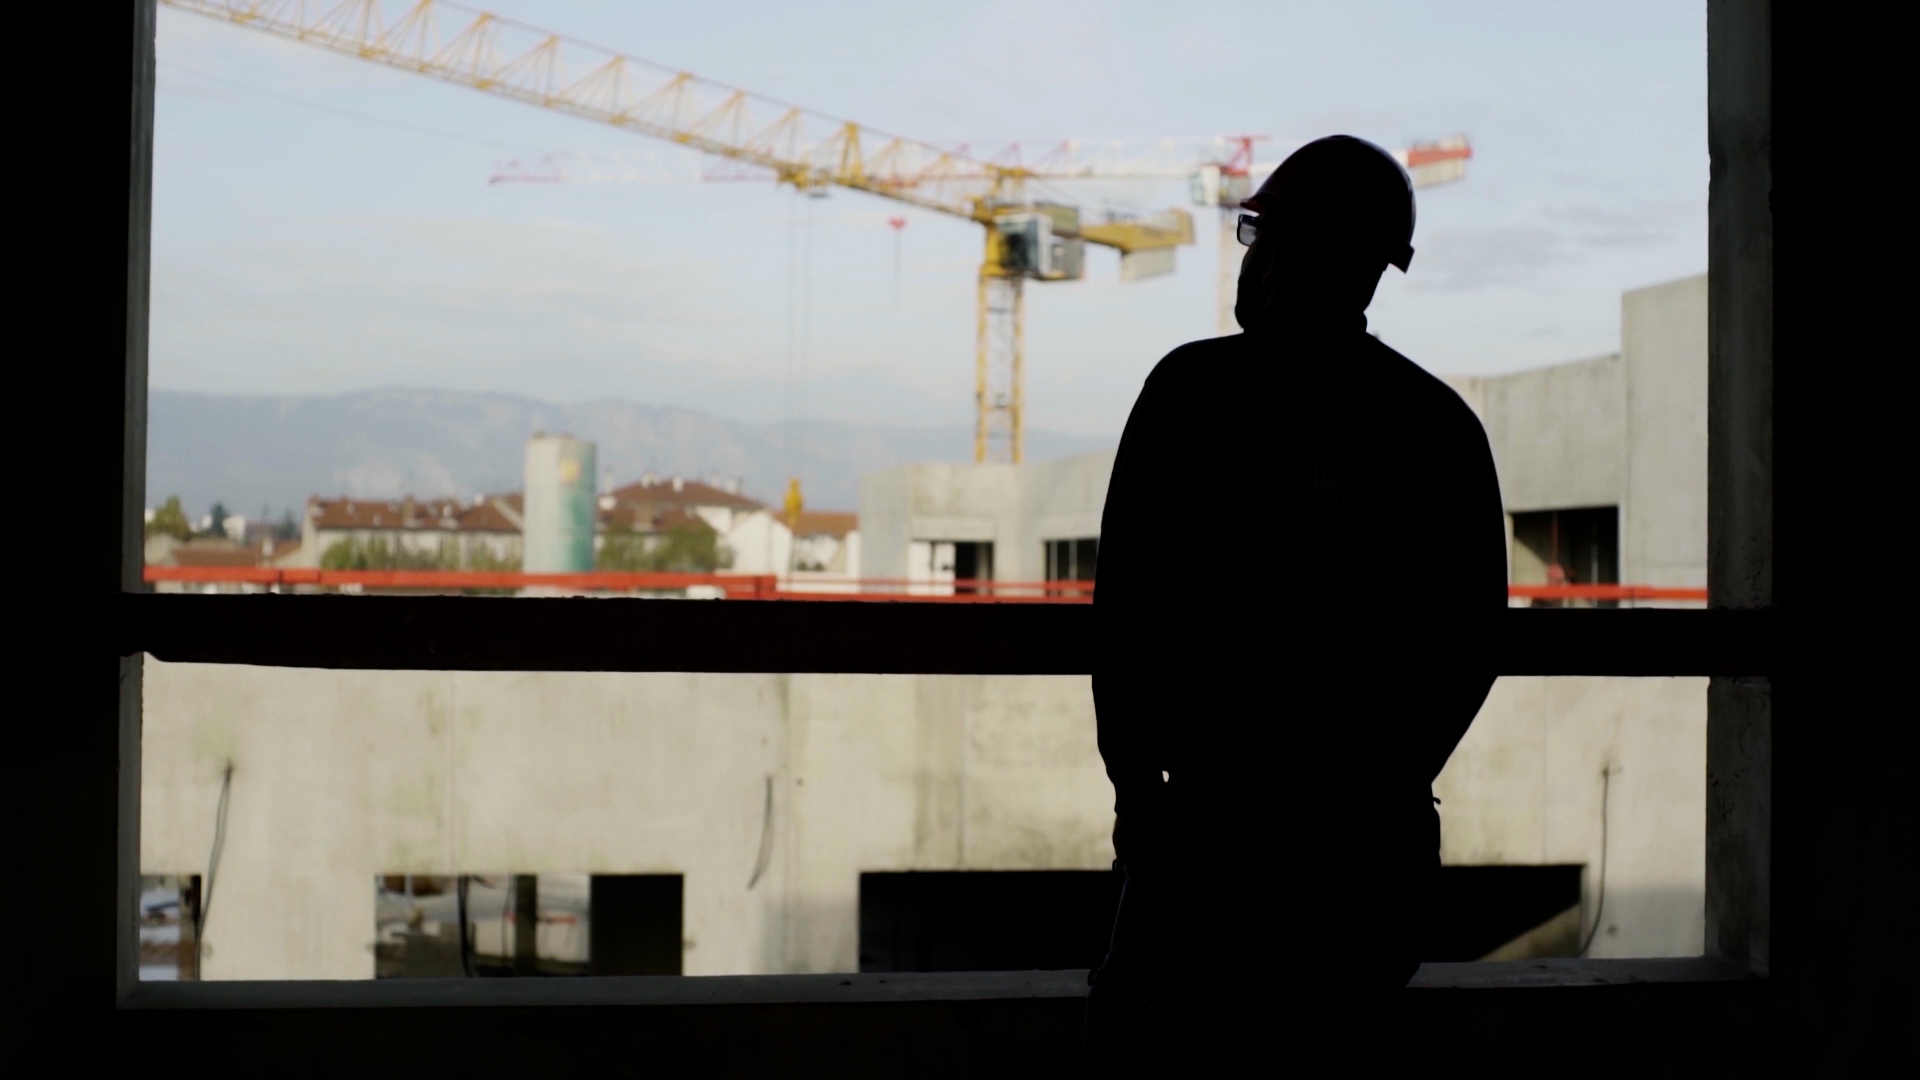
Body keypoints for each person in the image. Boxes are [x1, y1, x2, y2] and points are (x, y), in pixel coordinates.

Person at [1085, 135, 1508, 1066]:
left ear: (1282, 253)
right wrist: (1385, 786)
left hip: (1210, 846)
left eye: (1257, 236)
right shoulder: (1437, 424)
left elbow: (1126, 619)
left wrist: (1138, 795)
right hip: (1372, 864)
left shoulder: (1192, 394)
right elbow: (1473, 641)